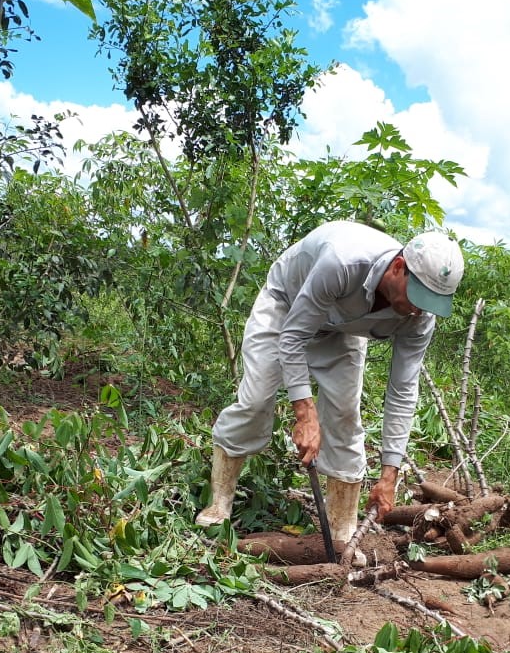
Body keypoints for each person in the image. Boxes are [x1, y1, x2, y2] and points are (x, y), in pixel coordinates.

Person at [196, 220, 465, 540]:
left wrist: (389, 473)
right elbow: (293, 335)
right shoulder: (343, 261)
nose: (418, 311)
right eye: (417, 296)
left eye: (430, 303)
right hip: (286, 306)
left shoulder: (419, 318)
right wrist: (304, 412)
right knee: (256, 401)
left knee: (344, 415)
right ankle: (220, 501)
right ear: (397, 267)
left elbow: (403, 389)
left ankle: (342, 531)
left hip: (341, 330)